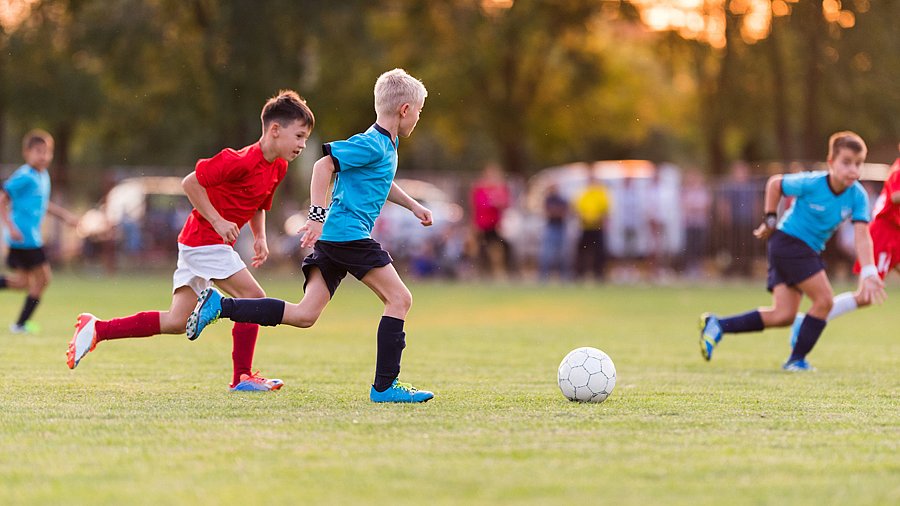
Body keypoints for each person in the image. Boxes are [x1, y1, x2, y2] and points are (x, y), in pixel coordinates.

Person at [184, 69, 434, 403]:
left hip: (336, 239)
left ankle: (221, 306)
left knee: (304, 315)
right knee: (400, 299)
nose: (418, 116)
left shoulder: (387, 146)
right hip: (348, 236)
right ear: (405, 110)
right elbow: (322, 166)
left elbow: (381, 180)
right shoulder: (372, 142)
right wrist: (316, 214)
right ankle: (386, 386)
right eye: (418, 110)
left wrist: (414, 206)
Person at [66, 90, 315, 392]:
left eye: (305, 138)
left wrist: (260, 237)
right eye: (299, 136)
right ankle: (242, 377)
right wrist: (218, 221)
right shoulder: (239, 160)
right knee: (253, 299)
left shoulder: (278, 166)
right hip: (204, 240)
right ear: (275, 130)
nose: (303, 144)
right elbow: (190, 183)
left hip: (200, 243)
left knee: (175, 320)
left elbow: (259, 202)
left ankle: (97, 329)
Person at [698, 131, 886, 371]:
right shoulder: (813, 182)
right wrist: (770, 218)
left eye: (858, 164)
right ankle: (796, 360)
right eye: (846, 162)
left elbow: (863, 235)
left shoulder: (857, 195)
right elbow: (775, 184)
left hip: (803, 249)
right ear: (831, 162)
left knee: (783, 315)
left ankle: (717, 325)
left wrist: (869, 271)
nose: (853, 170)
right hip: (788, 242)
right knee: (824, 301)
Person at [787, 142, 900, 345]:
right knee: (865, 296)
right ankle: (808, 321)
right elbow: (895, 196)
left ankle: (807, 321)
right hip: (886, 235)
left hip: (896, 235)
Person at [0, 129, 79, 333]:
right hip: (23, 238)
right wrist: (10, 227)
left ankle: (20, 324)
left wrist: (66, 217)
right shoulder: (25, 175)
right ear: (26, 152)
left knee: (23, 283)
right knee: (43, 279)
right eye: (38, 151)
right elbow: (2, 199)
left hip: (30, 238)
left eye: (47, 152)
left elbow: (43, 204)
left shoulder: (42, 175)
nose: (43, 156)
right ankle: (20, 325)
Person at [470, 163, 513, 279]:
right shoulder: (480, 188)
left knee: (497, 249)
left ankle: (498, 272)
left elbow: (505, 203)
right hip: (482, 224)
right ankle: (480, 274)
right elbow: (479, 205)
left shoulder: (500, 188)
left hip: (495, 224)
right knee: (480, 251)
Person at [572, 173, 610, 281]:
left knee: (599, 252)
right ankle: (580, 274)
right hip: (585, 227)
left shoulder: (601, 192)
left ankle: (599, 274)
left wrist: (600, 218)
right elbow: (577, 208)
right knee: (582, 251)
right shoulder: (583, 192)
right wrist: (582, 217)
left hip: (598, 227)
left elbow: (606, 209)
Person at [538, 183, 570, 280]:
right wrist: (556, 212)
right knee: (546, 254)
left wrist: (554, 212)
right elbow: (547, 213)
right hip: (551, 227)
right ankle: (544, 276)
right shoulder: (548, 199)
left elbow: (563, 213)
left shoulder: (561, 200)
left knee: (562, 254)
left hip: (560, 227)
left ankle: (563, 276)